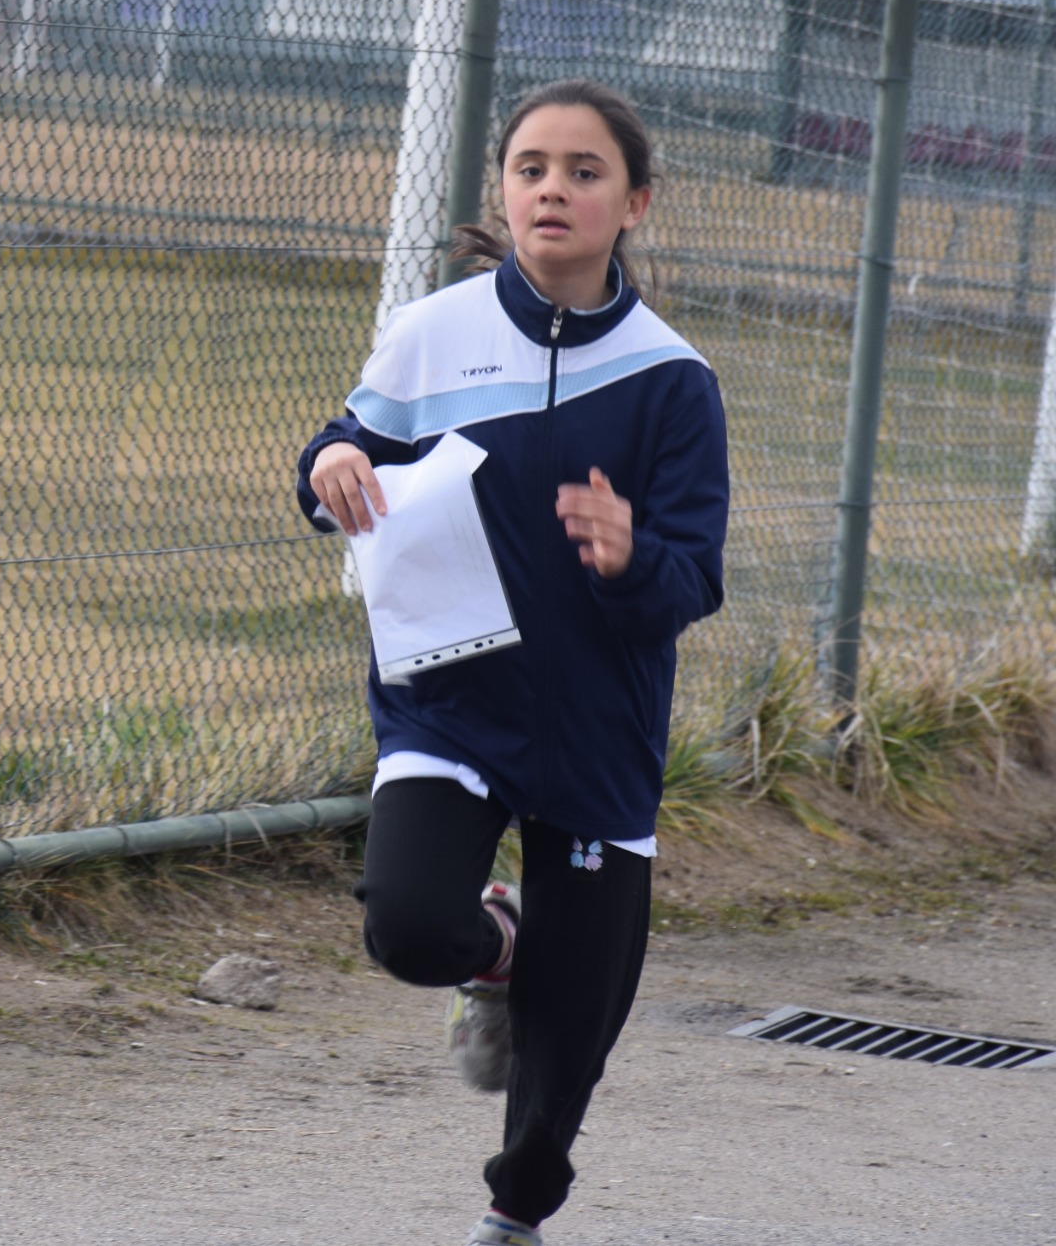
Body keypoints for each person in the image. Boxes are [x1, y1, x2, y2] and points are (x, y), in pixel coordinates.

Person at [296, 79, 729, 1246]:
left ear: (632, 202)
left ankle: (516, 1211)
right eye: (531, 166)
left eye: (584, 171)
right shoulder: (432, 332)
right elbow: (342, 453)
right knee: (409, 926)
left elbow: (693, 579)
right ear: (503, 187)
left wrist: (632, 554)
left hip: (598, 731)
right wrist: (332, 461)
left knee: (568, 1036)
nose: (553, 188)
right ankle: (498, 941)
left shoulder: (670, 380)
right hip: (448, 704)